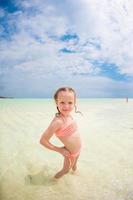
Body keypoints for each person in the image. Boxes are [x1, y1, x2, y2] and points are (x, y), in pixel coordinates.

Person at [40, 87, 82, 179]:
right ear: (56, 102)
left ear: (74, 102)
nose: (66, 106)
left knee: (74, 166)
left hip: (78, 150)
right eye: (62, 102)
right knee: (65, 170)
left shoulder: (69, 115)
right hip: (69, 153)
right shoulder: (58, 122)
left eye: (70, 103)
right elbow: (43, 141)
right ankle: (53, 181)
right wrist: (60, 150)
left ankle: (75, 173)